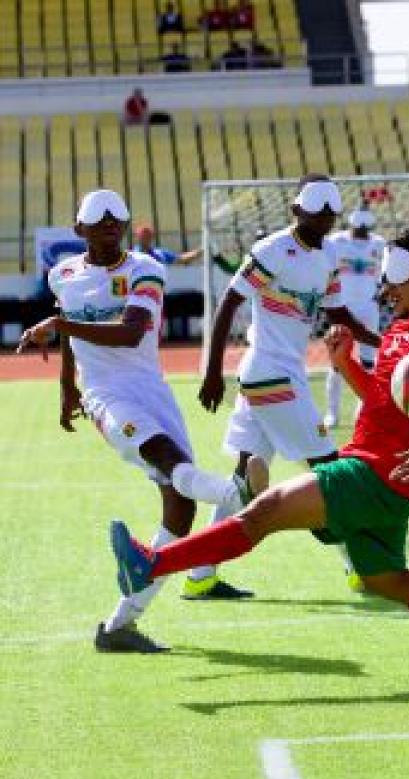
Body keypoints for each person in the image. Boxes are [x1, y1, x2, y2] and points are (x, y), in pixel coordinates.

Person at [110, 232, 409, 639]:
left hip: (370, 476)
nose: (386, 289)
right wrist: (346, 364)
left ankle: (151, 564)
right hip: (391, 485)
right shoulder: (402, 330)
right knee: (386, 579)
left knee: (263, 513)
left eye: (394, 277)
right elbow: (384, 400)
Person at [18, 190, 257, 652]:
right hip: (105, 397)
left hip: (152, 391)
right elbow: (67, 322)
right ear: (79, 230)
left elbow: (130, 333)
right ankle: (234, 492)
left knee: (180, 509)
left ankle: (118, 627)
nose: (111, 228)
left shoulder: (145, 270)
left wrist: (60, 327)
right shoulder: (62, 274)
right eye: (100, 223)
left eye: (117, 222)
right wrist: (68, 386)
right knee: (167, 459)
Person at [199, 175, 382, 593]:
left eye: (327, 216)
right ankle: (364, 565)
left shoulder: (330, 253)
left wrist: (385, 342)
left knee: (243, 478)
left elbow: (340, 316)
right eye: (313, 215)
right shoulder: (272, 250)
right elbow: (230, 301)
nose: (321, 223)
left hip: (274, 376)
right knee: (330, 471)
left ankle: (199, 573)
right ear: (296, 211)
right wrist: (213, 372)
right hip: (270, 374)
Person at [324, 206, 386, 430]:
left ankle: (363, 409)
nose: (361, 234)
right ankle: (332, 413)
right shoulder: (336, 241)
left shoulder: (379, 243)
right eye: (357, 229)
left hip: (369, 308)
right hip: (343, 307)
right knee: (337, 362)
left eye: (364, 230)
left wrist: (382, 293)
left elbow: (385, 273)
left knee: (369, 362)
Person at [134, 223, 200, 266]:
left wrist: (200, 251)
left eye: (148, 236)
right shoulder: (132, 256)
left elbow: (181, 259)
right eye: (143, 236)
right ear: (138, 238)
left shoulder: (160, 254)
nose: (146, 239)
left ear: (152, 237)